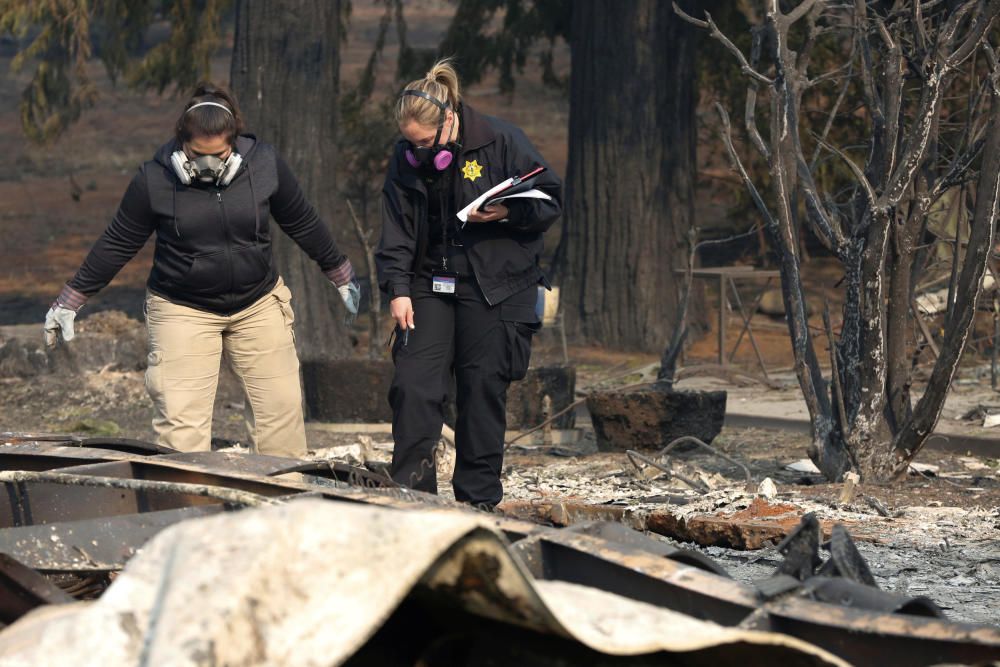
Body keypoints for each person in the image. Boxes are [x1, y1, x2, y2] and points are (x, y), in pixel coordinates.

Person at [43, 82, 359, 459]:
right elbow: (118, 242)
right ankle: (184, 506)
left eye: (220, 154)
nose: (209, 166)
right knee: (181, 430)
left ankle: (276, 509)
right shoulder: (154, 180)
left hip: (257, 302)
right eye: (198, 154)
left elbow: (302, 221)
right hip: (182, 307)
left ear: (235, 143)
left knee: (281, 416)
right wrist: (70, 300)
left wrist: (339, 272)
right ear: (181, 143)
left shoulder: (264, 165)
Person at [376, 59, 562, 509]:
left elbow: (549, 199)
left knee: (482, 391)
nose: (418, 153)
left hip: (495, 284)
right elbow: (396, 228)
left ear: (450, 120)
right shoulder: (405, 160)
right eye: (409, 144)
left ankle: (478, 503)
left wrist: (508, 211)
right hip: (428, 282)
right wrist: (397, 288)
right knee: (414, 386)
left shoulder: (501, 140)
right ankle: (412, 497)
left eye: (425, 143)